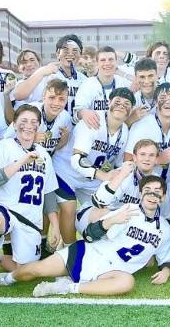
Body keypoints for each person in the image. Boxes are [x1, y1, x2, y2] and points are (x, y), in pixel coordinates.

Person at [0, 175, 170, 298]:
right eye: (148, 192)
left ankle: (66, 287)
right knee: (35, 270)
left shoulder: (165, 230)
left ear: (163, 197)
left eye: (157, 193)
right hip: (87, 255)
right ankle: (2, 279)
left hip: (113, 271)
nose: (152, 196)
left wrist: (166, 271)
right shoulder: (127, 211)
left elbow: (168, 258)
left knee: (127, 282)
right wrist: (111, 221)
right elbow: (88, 235)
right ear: (140, 194)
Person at [0, 105, 62, 303]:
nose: (28, 126)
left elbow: (48, 194)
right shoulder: (5, 146)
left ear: (38, 126)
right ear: (14, 124)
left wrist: (55, 226)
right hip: (5, 209)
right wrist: (21, 162)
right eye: (23, 121)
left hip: (29, 218)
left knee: (26, 271)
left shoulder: (44, 155)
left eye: (33, 122)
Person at [53, 88, 134, 243]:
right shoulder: (93, 121)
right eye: (117, 101)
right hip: (66, 172)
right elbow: (77, 160)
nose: (121, 105)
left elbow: (116, 163)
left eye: (126, 104)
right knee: (69, 208)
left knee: (103, 209)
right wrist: (104, 175)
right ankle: (70, 249)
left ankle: (97, 243)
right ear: (108, 102)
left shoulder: (125, 131)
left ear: (130, 111)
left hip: (91, 179)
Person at [125, 83, 170, 217]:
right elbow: (127, 160)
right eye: (163, 97)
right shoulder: (142, 126)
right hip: (141, 185)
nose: (168, 101)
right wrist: (157, 160)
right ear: (155, 101)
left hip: (168, 184)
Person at [13, 35, 89, 112]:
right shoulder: (46, 73)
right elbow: (18, 95)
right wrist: (41, 73)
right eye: (65, 50)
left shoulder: (85, 80)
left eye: (75, 51)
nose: (70, 54)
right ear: (57, 53)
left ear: (80, 55)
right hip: (53, 123)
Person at [3, 79, 73, 155]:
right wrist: (28, 139)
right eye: (52, 97)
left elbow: (56, 149)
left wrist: (64, 140)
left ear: (66, 101)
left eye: (61, 99)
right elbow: (7, 140)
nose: (56, 103)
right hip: (19, 161)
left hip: (43, 163)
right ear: (44, 97)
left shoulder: (65, 118)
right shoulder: (29, 112)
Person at [74, 46, 133, 128]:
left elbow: (142, 67)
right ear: (97, 63)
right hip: (94, 132)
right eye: (103, 60)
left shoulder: (123, 83)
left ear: (116, 62)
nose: (107, 63)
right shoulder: (87, 84)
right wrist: (83, 112)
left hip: (116, 133)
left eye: (111, 59)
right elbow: (75, 115)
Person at [127, 58, 159, 125]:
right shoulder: (130, 100)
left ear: (157, 75)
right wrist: (131, 119)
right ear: (136, 78)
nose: (147, 81)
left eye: (150, 76)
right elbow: (119, 128)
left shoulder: (168, 96)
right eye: (142, 77)